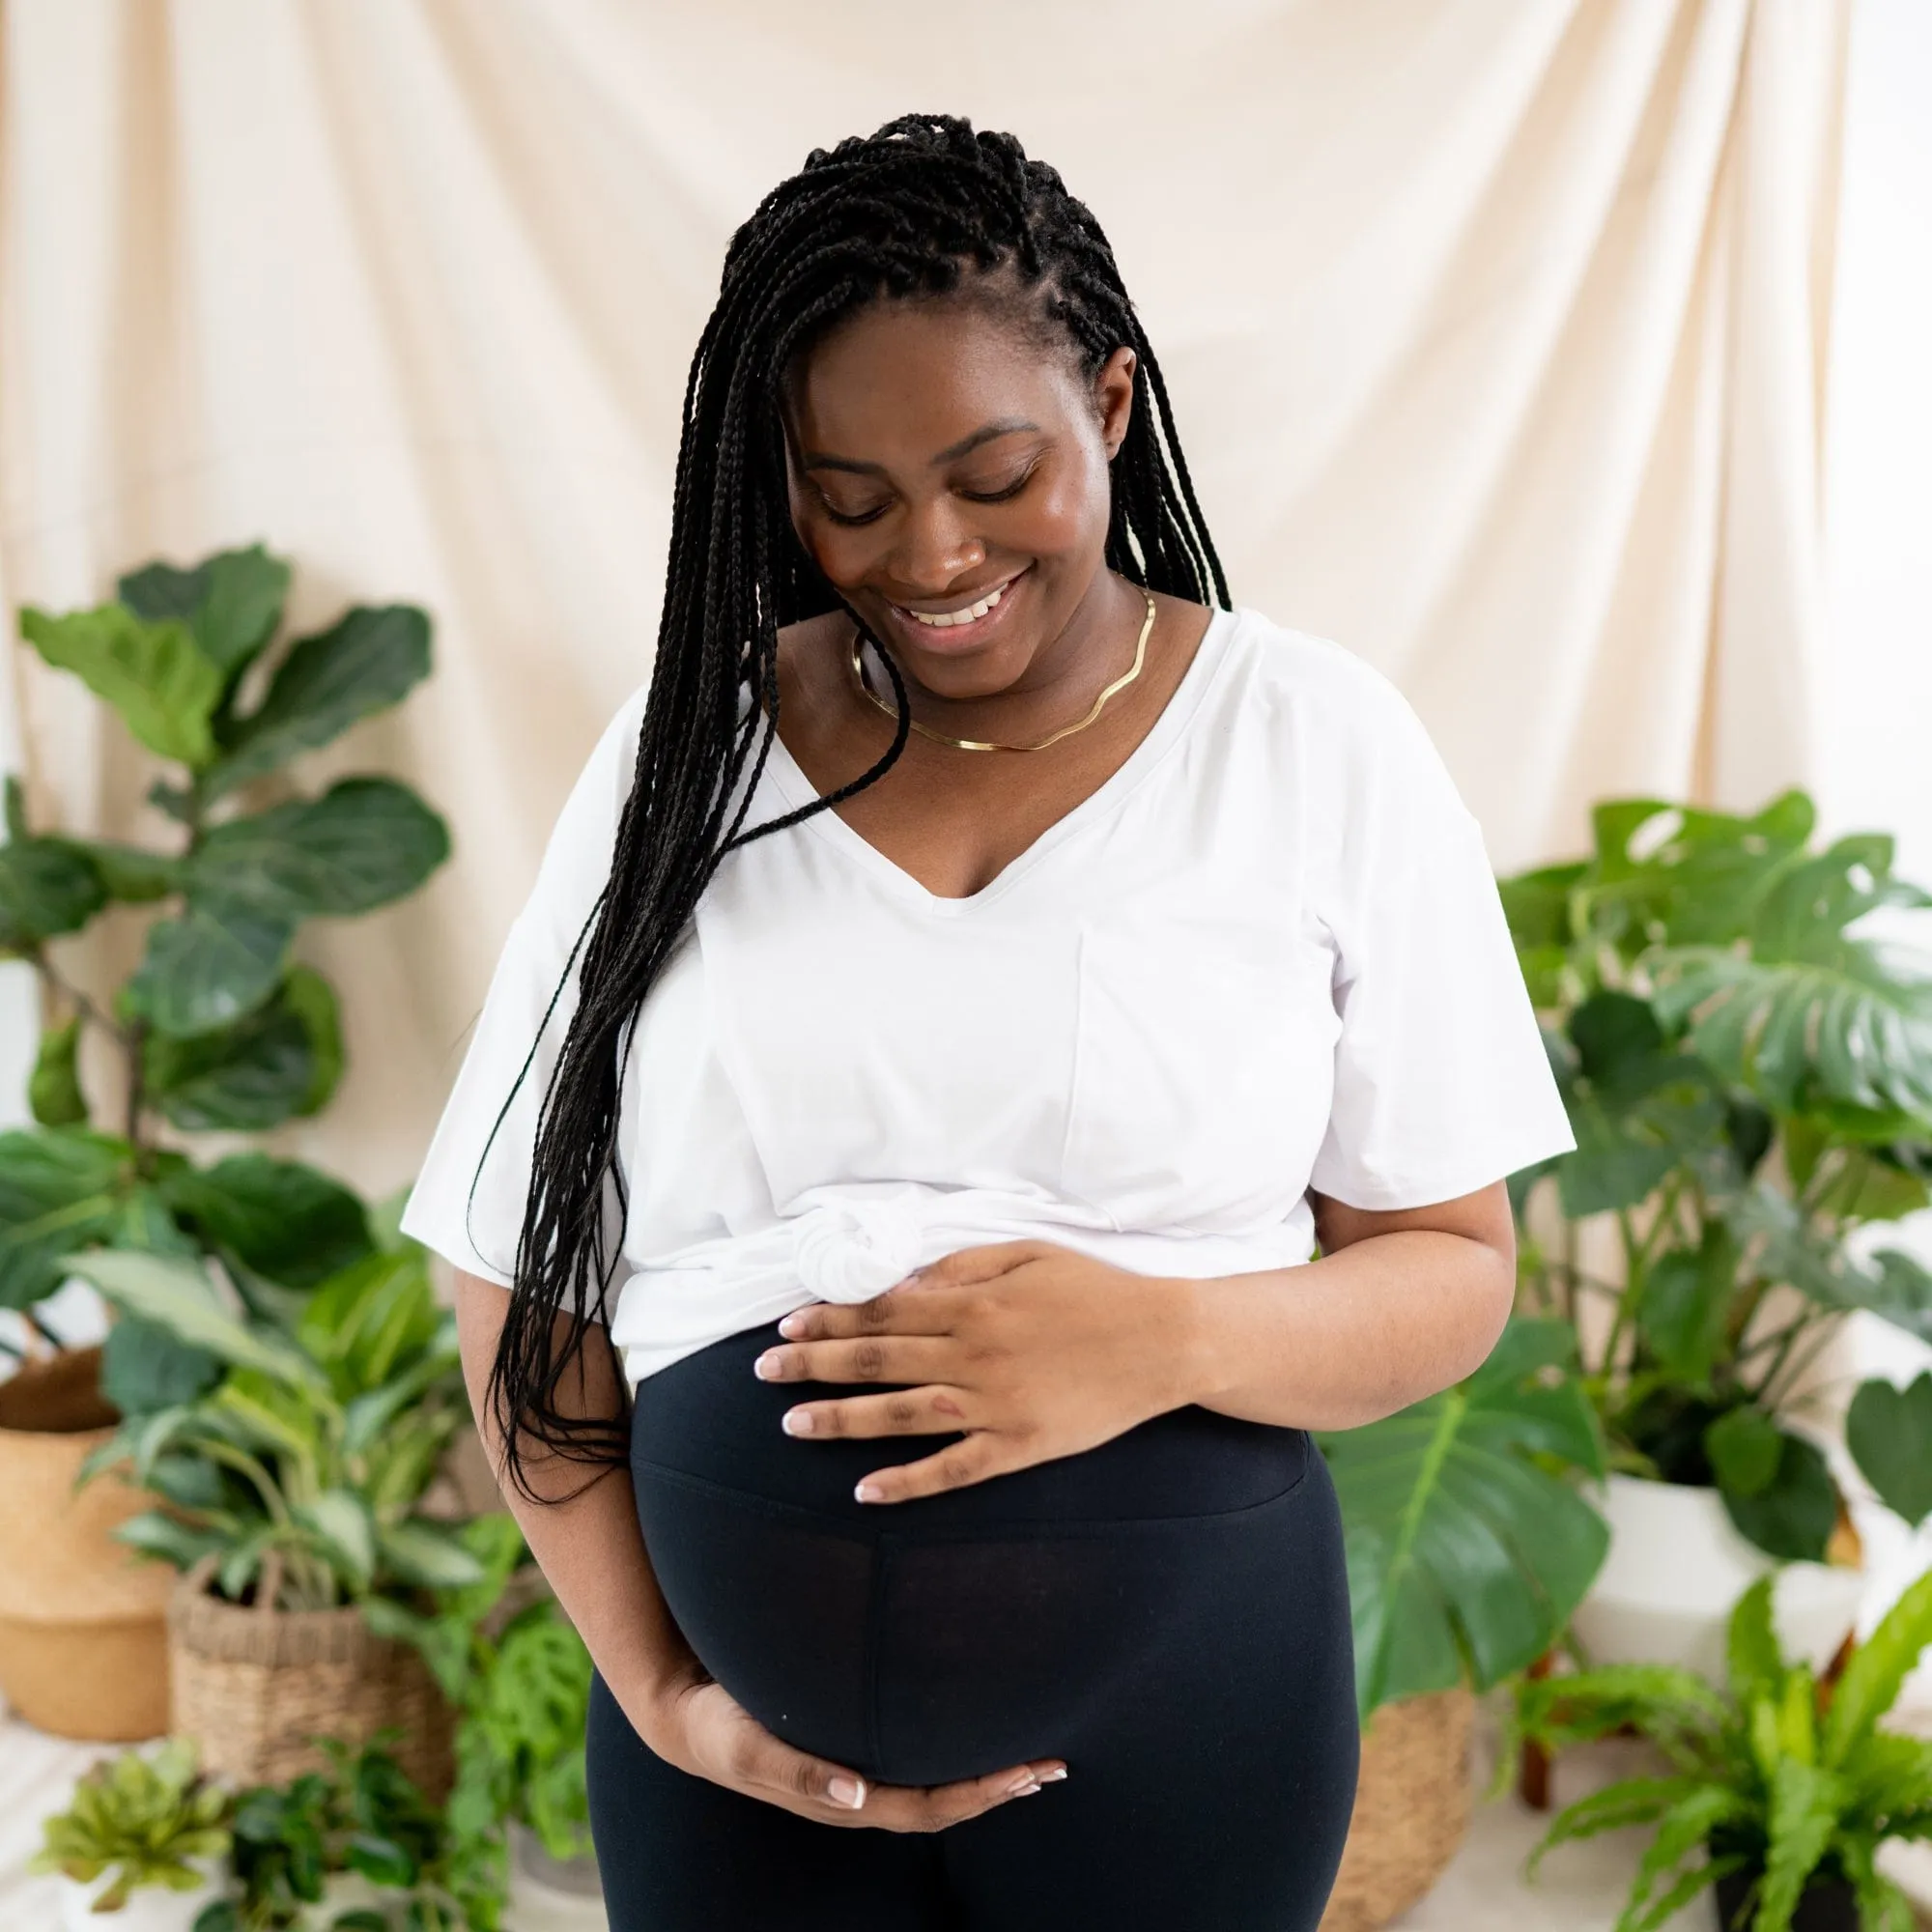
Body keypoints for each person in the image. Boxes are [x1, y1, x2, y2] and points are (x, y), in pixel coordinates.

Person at [399, 113, 1576, 1931]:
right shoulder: (679, 766)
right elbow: (517, 1256)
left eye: (991, 472)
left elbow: (1453, 1269)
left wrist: (1158, 1341)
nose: (929, 555)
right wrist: (657, 1691)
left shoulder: (1313, 748)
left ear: (1109, 405)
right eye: (849, 499)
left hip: (1189, 1726)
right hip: (729, 1758)